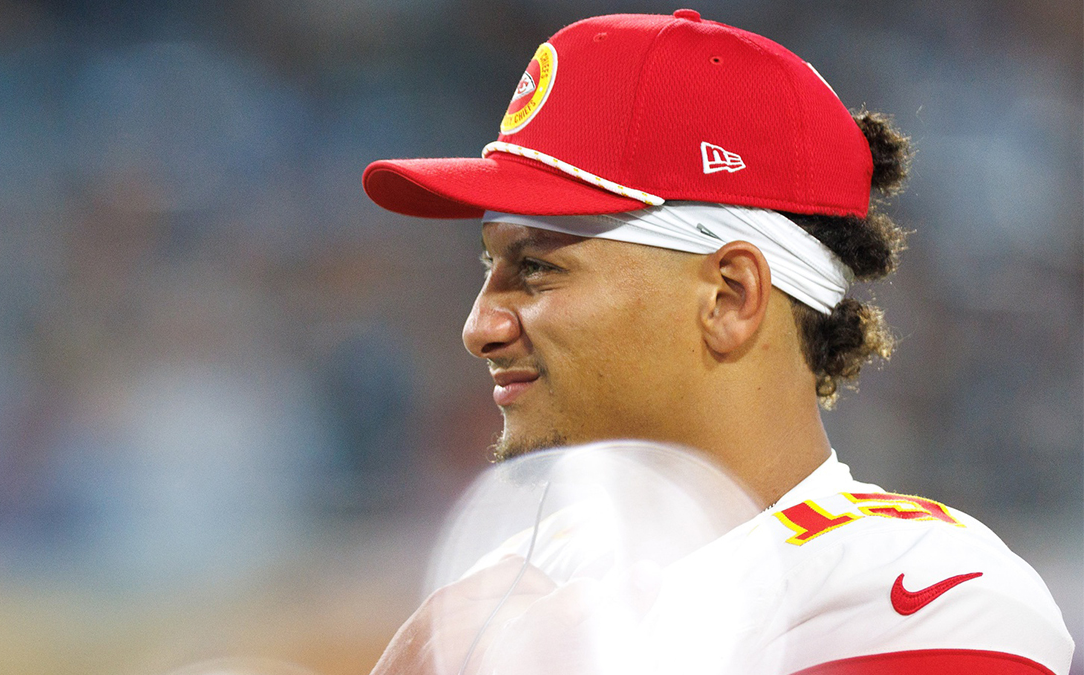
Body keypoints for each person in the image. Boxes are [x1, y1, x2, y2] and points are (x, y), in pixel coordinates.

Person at [360, 10, 1074, 674]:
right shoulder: (513, 574)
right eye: (492, 265)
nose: (480, 326)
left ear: (731, 296)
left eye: (537, 267)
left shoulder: (927, 589)